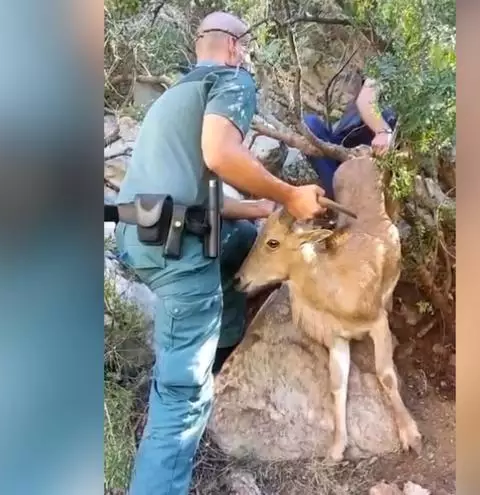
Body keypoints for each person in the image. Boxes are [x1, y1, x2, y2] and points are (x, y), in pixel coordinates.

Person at [113, 11, 326, 495]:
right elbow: (220, 154)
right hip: (176, 254)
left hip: (138, 236)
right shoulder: (233, 80)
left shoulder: (171, 98)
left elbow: (185, 189)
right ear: (234, 48)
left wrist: (253, 206)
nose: (245, 57)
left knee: (241, 246)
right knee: (181, 400)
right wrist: (292, 196)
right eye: (244, 50)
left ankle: (221, 349)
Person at [302, 73, 398, 199]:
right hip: (340, 147)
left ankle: (347, 200)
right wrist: (382, 131)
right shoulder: (387, 67)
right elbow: (365, 100)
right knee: (310, 123)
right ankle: (337, 195)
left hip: (371, 160)